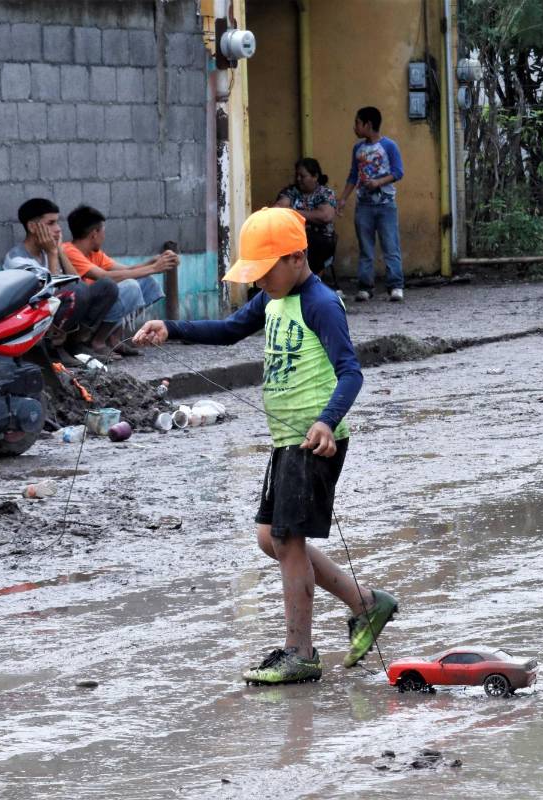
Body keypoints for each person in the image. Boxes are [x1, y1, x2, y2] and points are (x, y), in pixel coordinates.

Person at [133, 207, 398, 685]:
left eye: (265, 271)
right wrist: (171, 328)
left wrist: (325, 421)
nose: (259, 283)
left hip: (315, 441)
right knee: (269, 538)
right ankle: (365, 602)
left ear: (297, 258)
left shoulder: (320, 303)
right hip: (285, 440)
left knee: (286, 539)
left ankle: (300, 651)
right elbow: (230, 329)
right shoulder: (272, 299)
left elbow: (351, 372)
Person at [3, 198, 120, 358]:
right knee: (75, 292)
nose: (58, 229)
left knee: (107, 286)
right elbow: (47, 297)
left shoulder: (47, 250)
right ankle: (53, 348)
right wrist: (52, 254)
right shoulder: (18, 260)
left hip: (55, 311)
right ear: (32, 227)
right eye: (51, 223)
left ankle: (75, 344)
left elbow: (76, 281)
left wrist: (59, 252)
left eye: (57, 223)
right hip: (34, 322)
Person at [62, 205, 177, 357]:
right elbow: (103, 276)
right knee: (130, 286)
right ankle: (97, 342)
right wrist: (155, 268)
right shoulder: (69, 251)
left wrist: (154, 261)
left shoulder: (95, 253)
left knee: (147, 283)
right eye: (103, 231)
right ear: (94, 234)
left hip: (100, 308)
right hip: (85, 315)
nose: (104, 235)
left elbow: (128, 270)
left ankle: (114, 339)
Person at [336, 106, 405, 303]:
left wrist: (378, 183)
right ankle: (365, 287)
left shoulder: (389, 146)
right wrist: (343, 199)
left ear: (368, 124)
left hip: (386, 205)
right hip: (363, 206)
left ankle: (396, 285)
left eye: (357, 122)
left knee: (390, 246)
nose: (354, 127)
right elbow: (353, 175)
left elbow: (398, 172)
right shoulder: (357, 149)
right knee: (366, 247)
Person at [274, 158, 339, 293]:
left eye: (302, 176)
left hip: (320, 238)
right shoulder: (291, 191)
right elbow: (278, 208)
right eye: (297, 175)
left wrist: (293, 212)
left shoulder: (325, 193)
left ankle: (309, 285)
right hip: (293, 237)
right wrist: (310, 215)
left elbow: (325, 216)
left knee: (310, 245)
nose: (298, 179)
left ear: (315, 177)